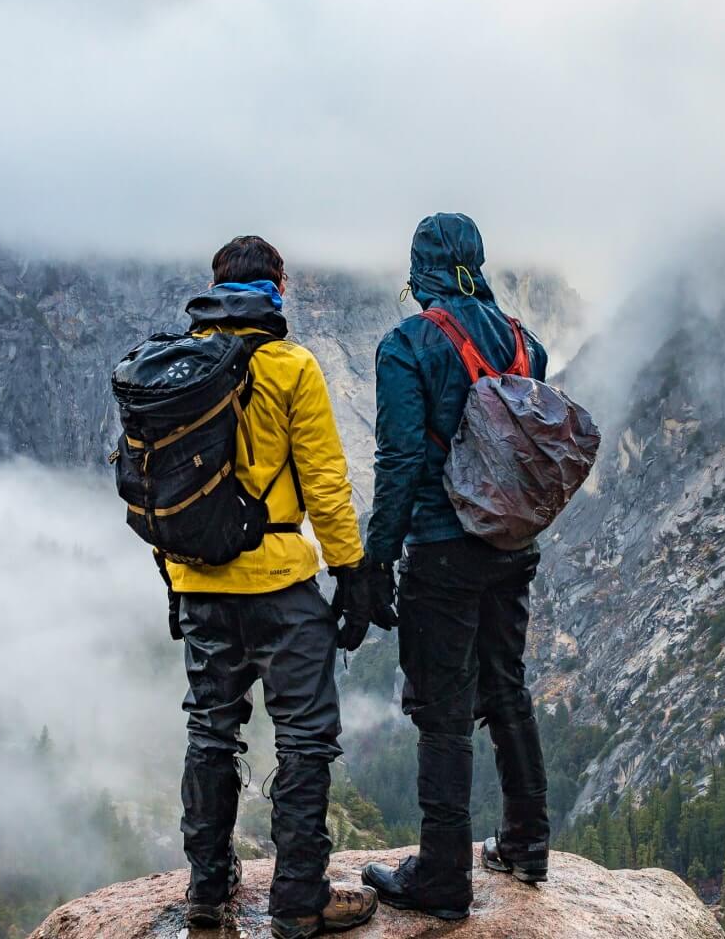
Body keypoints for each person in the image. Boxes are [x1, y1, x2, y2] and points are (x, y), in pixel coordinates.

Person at [166, 236, 393, 938]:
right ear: (277, 288)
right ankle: (299, 900)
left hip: (197, 581)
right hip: (279, 584)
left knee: (211, 731)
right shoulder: (291, 366)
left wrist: (175, 578)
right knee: (304, 738)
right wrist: (351, 574)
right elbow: (325, 483)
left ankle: (207, 890)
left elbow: (158, 488)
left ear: (215, 288)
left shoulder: (176, 368)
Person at [359, 214, 552, 921]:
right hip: (511, 545)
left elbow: (401, 461)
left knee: (442, 713)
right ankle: (527, 844)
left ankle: (443, 878)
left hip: (442, 550)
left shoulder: (407, 345)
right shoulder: (527, 345)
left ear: (422, 271)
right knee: (506, 687)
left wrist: (376, 560)